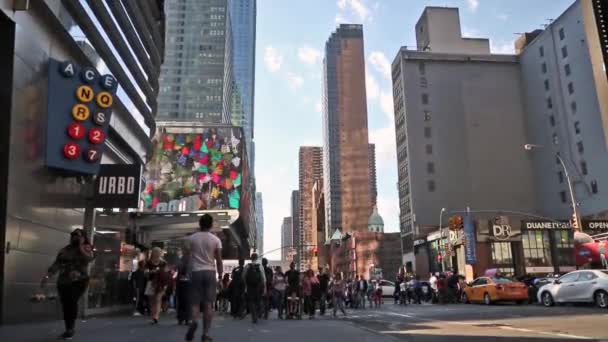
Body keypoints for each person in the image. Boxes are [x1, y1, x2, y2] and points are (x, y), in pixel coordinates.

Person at [41, 228, 94, 340]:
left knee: (72, 301)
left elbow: (89, 258)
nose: (75, 237)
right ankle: (68, 328)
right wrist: (47, 276)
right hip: (64, 281)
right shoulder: (65, 250)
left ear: (83, 237)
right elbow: (57, 264)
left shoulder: (87, 248)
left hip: (80, 281)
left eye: (78, 235)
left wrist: (80, 246)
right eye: (73, 235)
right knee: (66, 304)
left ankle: (71, 328)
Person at [184, 214, 223, 342]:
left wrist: (187, 272)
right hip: (210, 272)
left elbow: (187, 257)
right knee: (208, 304)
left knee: (195, 303)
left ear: (199, 224)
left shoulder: (191, 238)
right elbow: (219, 260)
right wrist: (221, 277)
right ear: (211, 225)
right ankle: (205, 334)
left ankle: (194, 321)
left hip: (195, 272)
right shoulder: (215, 240)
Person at [145, 247, 169, 325]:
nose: (157, 253)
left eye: (158, 252)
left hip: (160, 283)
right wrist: (152, 271)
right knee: (151, 300)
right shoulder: (149, 262)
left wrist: (166, 284)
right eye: (155, 252)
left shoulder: (163, 263)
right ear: (153, 253)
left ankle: (156, 316)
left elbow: (166, 274)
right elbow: (145, 272)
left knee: (158, 299)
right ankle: (153, 316)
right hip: (151, 282)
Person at [243, 253, 266, 323]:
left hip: (250, 287)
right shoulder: (260, 266)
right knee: (258, 301)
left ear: (251, 258)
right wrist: (264, 288)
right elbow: (263, 278)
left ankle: (254, 316)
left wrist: (246, 285)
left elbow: (243, 276)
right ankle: (259, 312)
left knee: (251, 301)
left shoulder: (247, 266)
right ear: (257, 258)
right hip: (258, 287)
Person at [176, 249, 192, 325]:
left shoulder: (180, 260)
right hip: (189, 283)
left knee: (181, 300)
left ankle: (180, 318)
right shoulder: (193, 260)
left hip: (181, 282)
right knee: (188, 301)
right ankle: (187, 318)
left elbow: (178, 269)